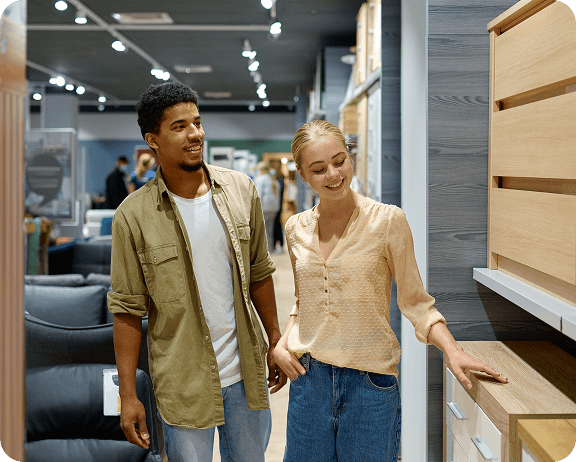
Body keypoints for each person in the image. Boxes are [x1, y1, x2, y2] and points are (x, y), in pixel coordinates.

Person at [274, 120, 508, 462]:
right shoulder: (295, 228)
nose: (333, 175)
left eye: (340, 161)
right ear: (303, 174)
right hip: (310, 382)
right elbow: (305, 301)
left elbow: (416, 303)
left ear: (351, 157)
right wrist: (282, 344)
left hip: (369, 386)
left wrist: (452, 350)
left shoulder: (387, 222)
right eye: (319, 169)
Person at [108, 82, 287, 462]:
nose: (195, 134)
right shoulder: (133, 216)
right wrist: (127, 395)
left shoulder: (241, 191)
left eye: (198, 122)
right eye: (180, 127)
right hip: (182, 380)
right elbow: (126, 309)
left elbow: (259, 272)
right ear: (152, 139)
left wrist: (275, 339)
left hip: (245, 375)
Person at [253, 161, 279, 253]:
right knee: (269, 230)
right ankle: (269, 250)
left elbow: (258, 195)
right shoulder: (273, 179)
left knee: (261, 232)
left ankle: (263, 253)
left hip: (264, 208)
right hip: (273, 209)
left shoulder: (260, 179)